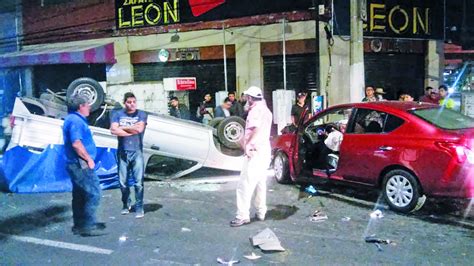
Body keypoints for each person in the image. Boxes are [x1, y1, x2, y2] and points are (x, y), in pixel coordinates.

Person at [63, 95, 106, 236]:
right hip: (81, 163)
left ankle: (79, 225)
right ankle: (87, 225)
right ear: (81, 106)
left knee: (80, 195)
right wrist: (88, 159)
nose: (89, 107)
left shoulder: (71, 119)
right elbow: (76, 143)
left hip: (74, 163)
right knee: (93, 193)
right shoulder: (76, 121)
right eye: (87, 104)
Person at [230, 86, 273, 227]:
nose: (245, 100)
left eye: (247, 97)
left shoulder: (255, 111)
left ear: (250, 98)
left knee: (244, 185)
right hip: (265, 150)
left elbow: (254, 128)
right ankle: (261, 212)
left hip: (255, 150)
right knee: (260, 183)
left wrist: (247, 144)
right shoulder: (266, 110)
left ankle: (242, 216)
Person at [110, 92, 148, 218]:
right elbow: (113, 130)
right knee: (123, 182)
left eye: (134, 102)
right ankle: (126, 204)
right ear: (124, 103)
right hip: (122, 151)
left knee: (138, 182)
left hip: (137, 151)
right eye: (129, 102)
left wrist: (122, 127)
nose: (132, 105)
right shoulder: (118, 114)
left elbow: (139, 130)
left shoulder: (141, 114)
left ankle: (139, 207)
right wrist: (130, 128)